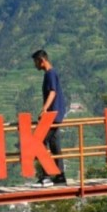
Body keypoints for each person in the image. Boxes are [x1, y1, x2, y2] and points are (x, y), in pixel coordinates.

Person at [31, 50, 67, 187]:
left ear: (41, 60)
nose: (35, 65)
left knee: (39, 142)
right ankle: (60, 176)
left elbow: (52, 92)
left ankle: (46, 176)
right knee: (54, 145)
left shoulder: (50, 73)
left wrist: (44, 109)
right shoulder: (50, 73)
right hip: (55, 115)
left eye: (35, 62)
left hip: (52, 115)